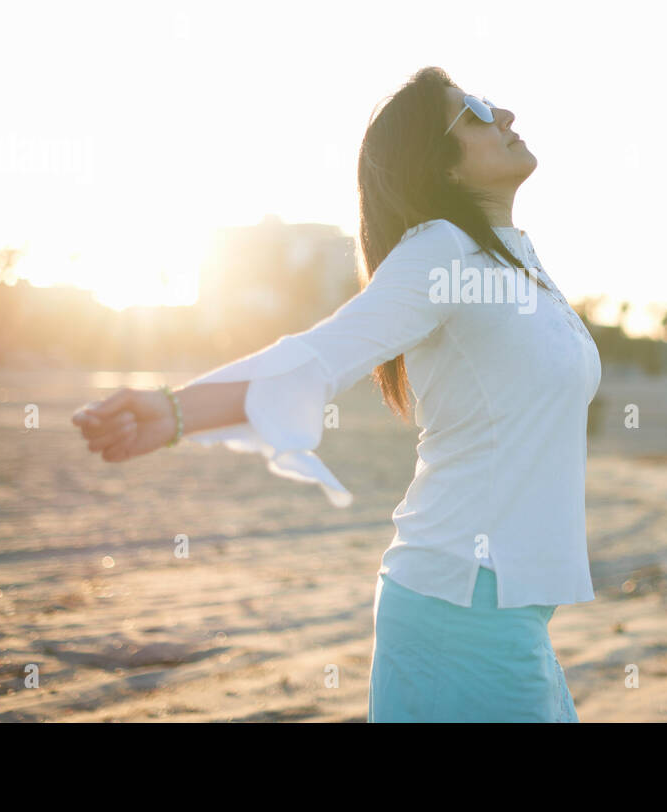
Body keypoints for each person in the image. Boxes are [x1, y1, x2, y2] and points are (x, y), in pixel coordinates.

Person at [71, 66, 601, 722]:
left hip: (507, 612)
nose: (506, 116)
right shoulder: (441, 250)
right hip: (461, 612)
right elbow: (321, 355)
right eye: (474, 112)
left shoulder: (516, 259)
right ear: (439, 168)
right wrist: (176, 410)